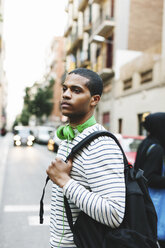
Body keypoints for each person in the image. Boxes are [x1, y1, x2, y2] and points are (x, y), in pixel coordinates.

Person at [46, 68, 125, 248]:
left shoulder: (100, 144)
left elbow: (114, 214)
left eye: (76, 90)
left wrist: (64, 181)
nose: (66, 95)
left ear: (94, 100)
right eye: (65, 88)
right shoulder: (69, 137)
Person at [134, 112, 165, 248]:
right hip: (156, 204)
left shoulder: (145, 143)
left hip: (144, 200)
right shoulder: (157, 148)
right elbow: (150, 178)